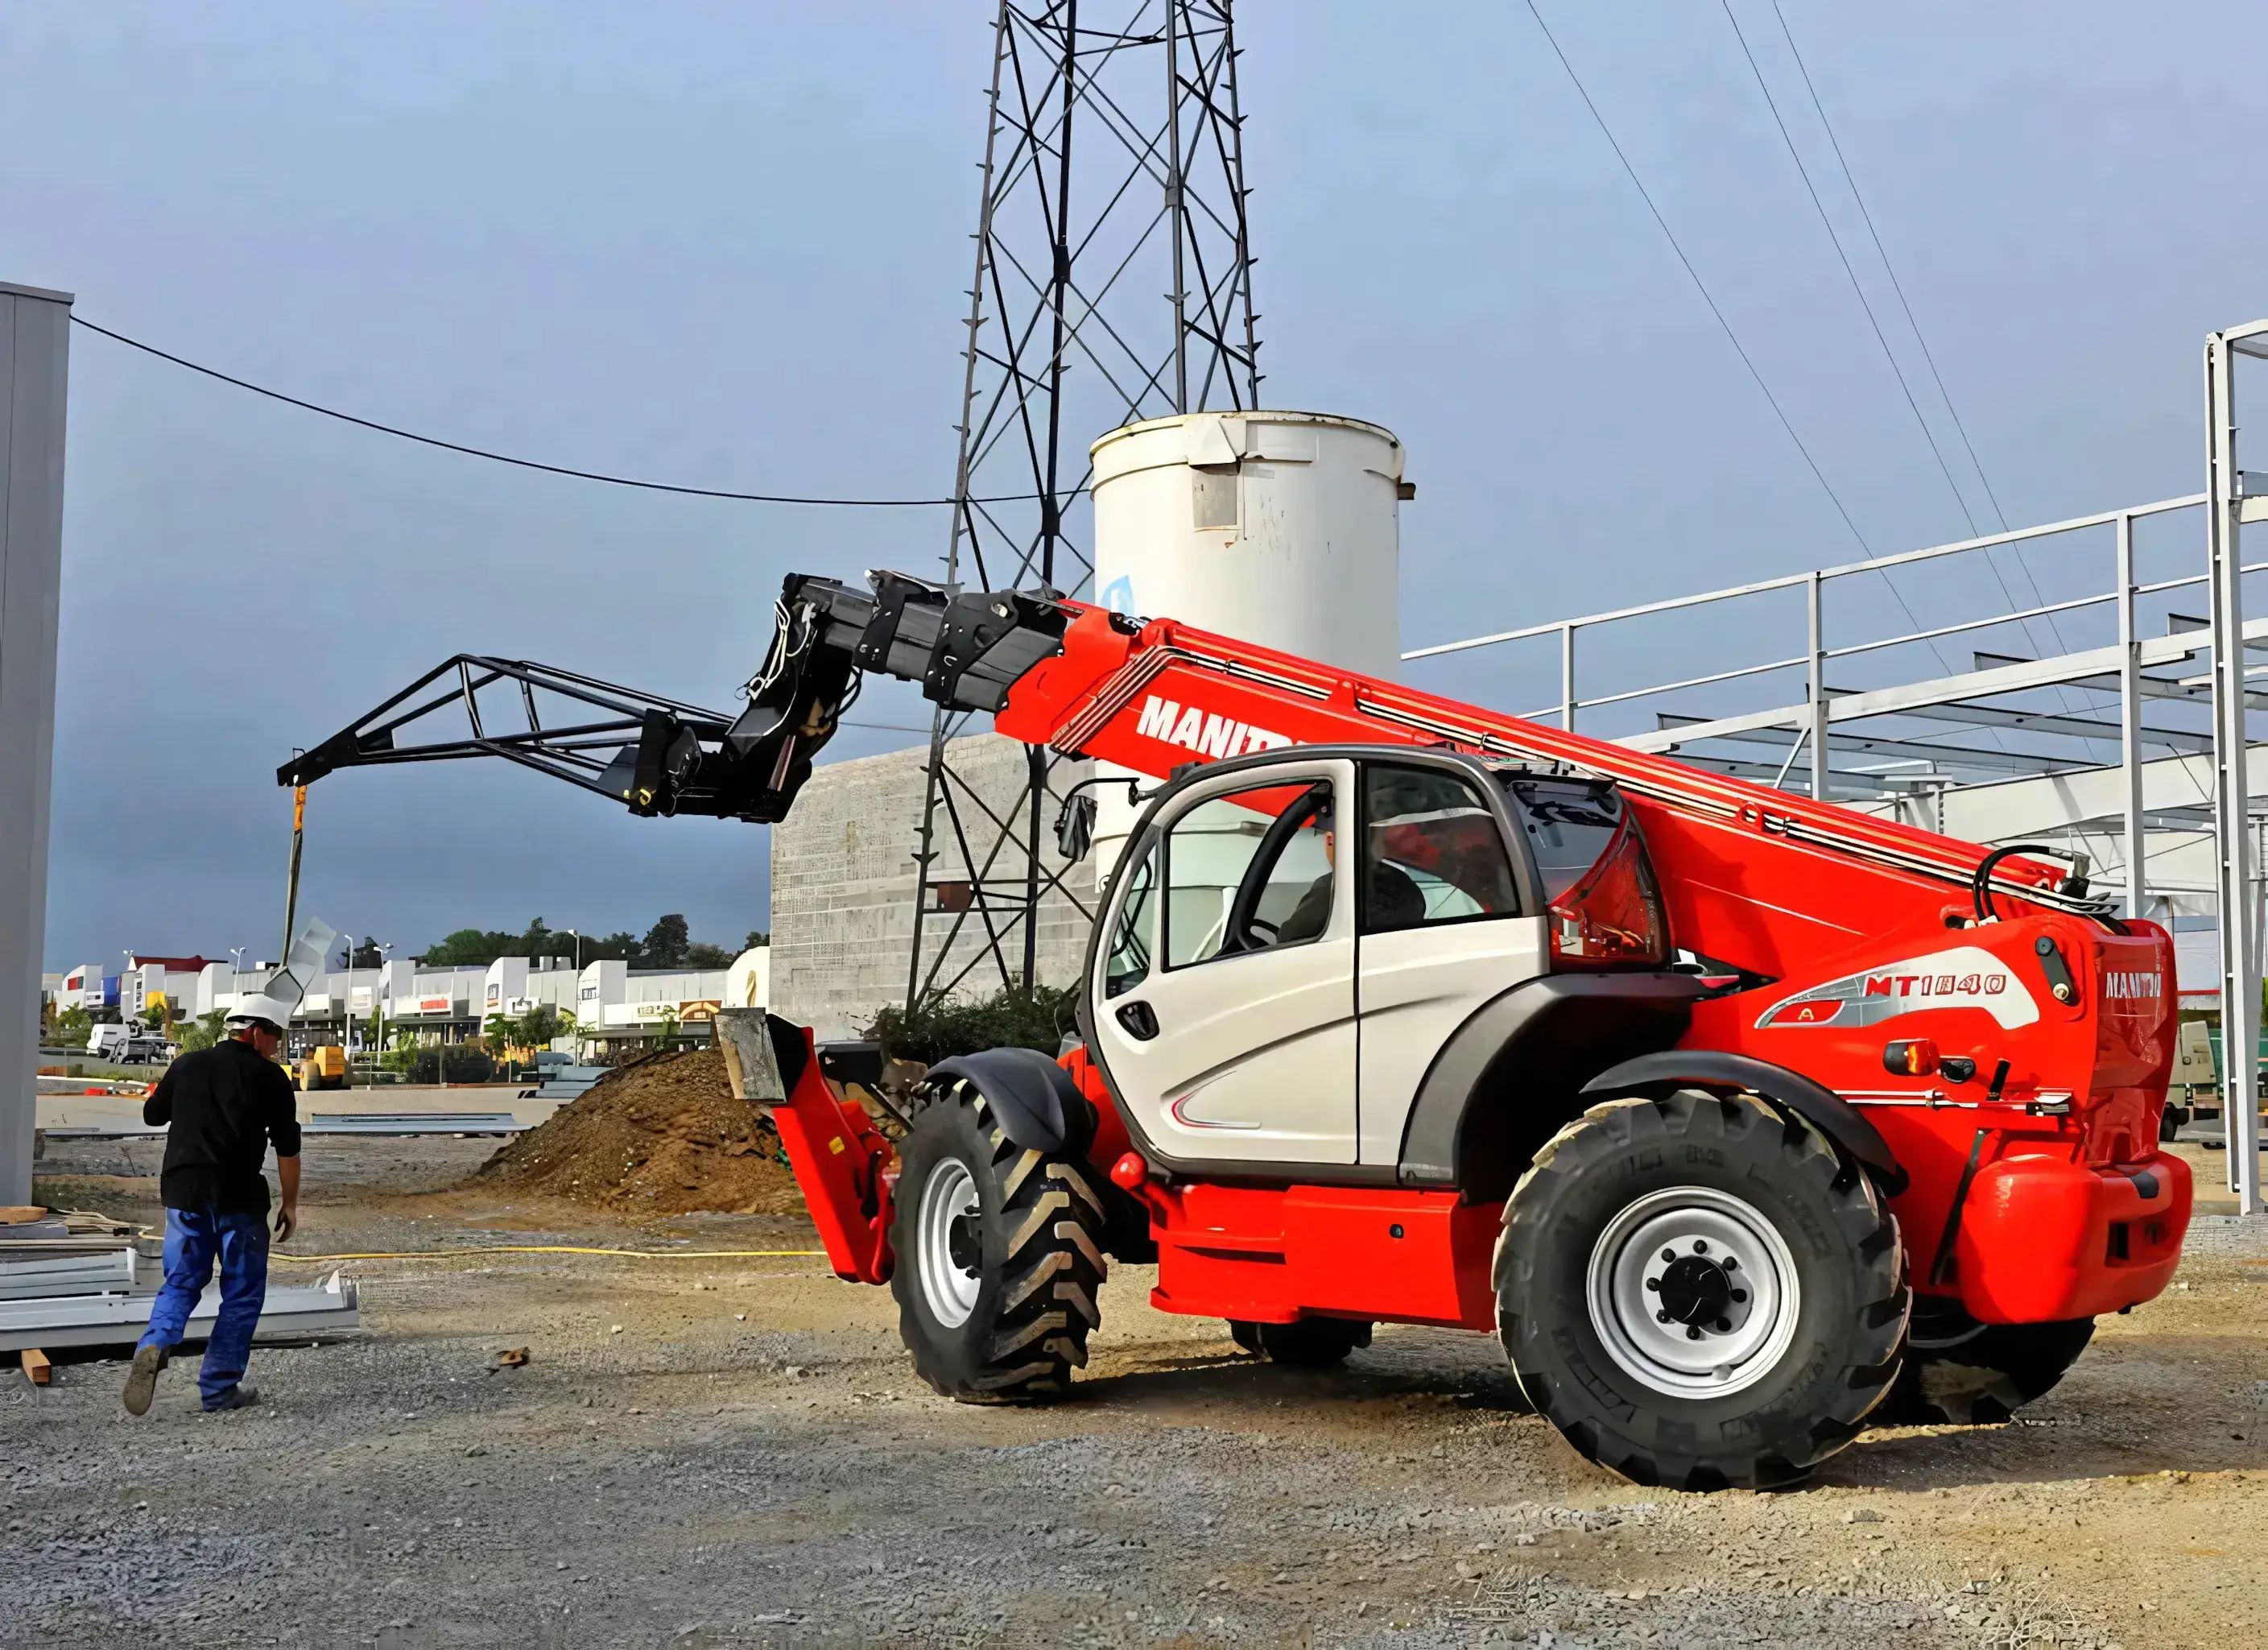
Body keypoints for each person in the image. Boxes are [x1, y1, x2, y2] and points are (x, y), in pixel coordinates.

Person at [122, 1007, 302, 1415]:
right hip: (239, 1199)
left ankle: (155, 1342)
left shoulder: (187, 1064)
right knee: (242, 1293)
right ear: (255, 1033)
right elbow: (288, 1148)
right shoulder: (271, 1077)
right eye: (275, 1035)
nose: (277, 1045)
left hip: (184, 1194)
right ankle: (219, 1389)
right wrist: (290, 1203)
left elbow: (152, 1115)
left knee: (181, 1282)